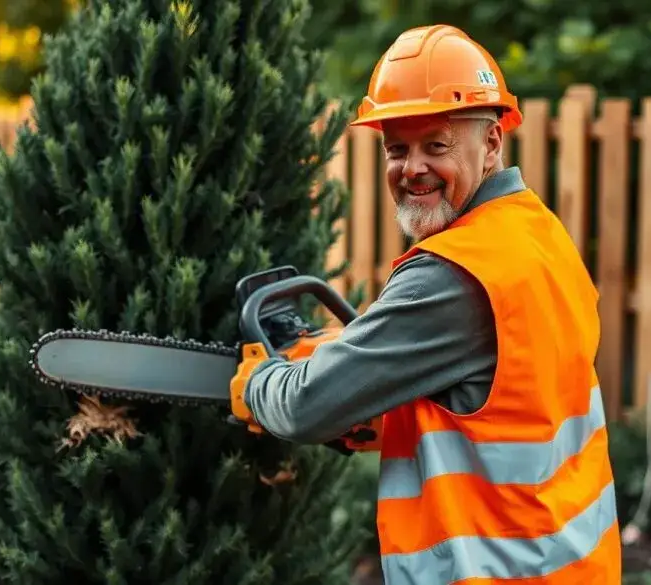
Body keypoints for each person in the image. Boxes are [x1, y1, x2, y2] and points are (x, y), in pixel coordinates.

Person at [231, 24, 622, 584]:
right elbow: (506, 400)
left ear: (490, 143)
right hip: (572, 562)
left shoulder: (452, 274)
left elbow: (304, 407)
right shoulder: (537, 233)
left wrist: (258, 385)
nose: (412, 168)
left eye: (435, 146)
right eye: (397, 149)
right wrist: (381, 397)